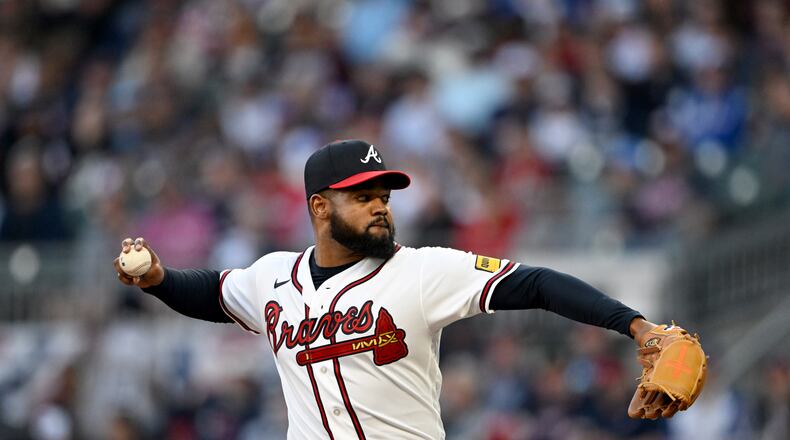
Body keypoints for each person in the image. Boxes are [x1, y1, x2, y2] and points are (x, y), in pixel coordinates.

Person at [114, 140, 664, 439]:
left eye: (385, 194)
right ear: (320, 207)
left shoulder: (422, 270)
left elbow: (537, 283)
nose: (380, 205)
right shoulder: (273, 275)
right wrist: (159, 279)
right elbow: (213, 292)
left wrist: (635, 324)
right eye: (363, 196)